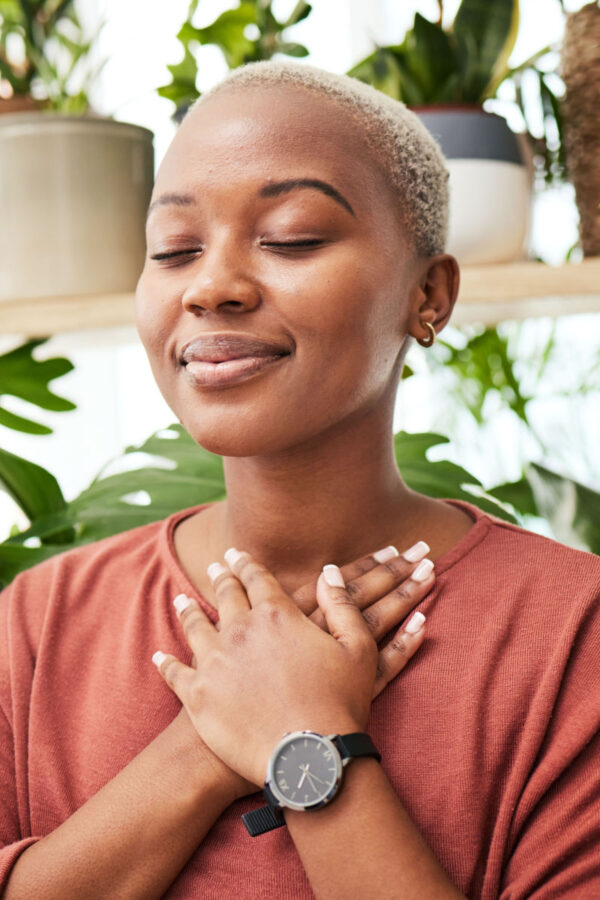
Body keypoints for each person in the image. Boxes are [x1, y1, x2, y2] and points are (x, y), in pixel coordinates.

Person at [1, 60, 599, 900]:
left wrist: (306, 740)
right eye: (173, 250)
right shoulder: (40, 622)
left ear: (428, 294)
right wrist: (206, 742)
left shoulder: (574, 634)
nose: (209, 287)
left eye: (292, 236)